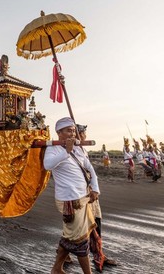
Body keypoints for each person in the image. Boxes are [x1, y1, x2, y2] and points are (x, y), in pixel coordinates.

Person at [44, 117, 100, 274]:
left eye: (74, 130)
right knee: (80, 240)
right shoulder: (53, 148)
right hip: (68, 200)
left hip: (84, 197)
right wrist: (66, 151)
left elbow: (91, 170)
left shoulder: (78, 148)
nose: (72, 133)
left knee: (71, 236)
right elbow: (48, 165)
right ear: (59, 132)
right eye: (69, 130)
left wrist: (95, 188)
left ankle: (56, 268)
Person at [75, 124, 117, 271]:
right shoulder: (72, 150)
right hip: (80, 193)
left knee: (95, 222)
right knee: (80, 226)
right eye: (83, 133)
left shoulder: (83, 150)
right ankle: (96, 255)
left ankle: (99, 253)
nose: (85, 135)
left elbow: (90, 171)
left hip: (90, 190)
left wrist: (95, 188)